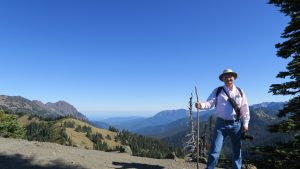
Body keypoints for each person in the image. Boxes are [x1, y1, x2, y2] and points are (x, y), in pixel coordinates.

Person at [195, 68, 250, 169]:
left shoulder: (240, 91)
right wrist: (201, 105)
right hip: (221, 124)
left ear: (234, 78)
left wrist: (245, 123)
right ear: (223, 79)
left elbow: (244, 108)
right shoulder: (218, 90)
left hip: (236, 124)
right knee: (215, 150)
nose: (229, 78)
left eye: (230, 76)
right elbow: (210, 103)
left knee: (237, 151)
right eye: (226, 76)